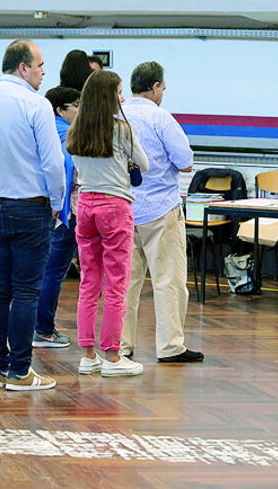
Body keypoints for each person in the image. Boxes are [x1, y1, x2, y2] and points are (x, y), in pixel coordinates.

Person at [0, 39, 65, 391]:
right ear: (23, 67)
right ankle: (21, 371)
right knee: (26, 292)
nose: (42, 72)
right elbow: (54, 162)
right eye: (39, 66)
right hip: (31, 206)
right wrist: (57, 202)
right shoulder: (36, 105)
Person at [120, 61, 203, 363]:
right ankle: (170, 346)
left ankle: (120, 345)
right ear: (155, 87)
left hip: (122, 208)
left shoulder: (116, 116)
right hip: (160, 210)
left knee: (124, 282)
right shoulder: (161, 118)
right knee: (168, 280)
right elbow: (185, 161)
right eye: (163, 88)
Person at [68, 70, 148, 377]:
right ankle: (113, 356)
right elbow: (144, 164)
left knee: (89, 282)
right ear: (109, 96)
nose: (122, 97)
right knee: (117, 283)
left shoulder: (75, 130)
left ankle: (88, 354)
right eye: (119, 92)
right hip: (115, 206)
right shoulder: (121, 129)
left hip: (85, 205)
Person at [33, 86, 81, 349]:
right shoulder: (64, 132)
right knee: (53, 271)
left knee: (37, 271)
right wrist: (61, 208)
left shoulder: (39, 127)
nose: (80, 110)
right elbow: (67, 168)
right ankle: (43, 329)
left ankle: (34, 327)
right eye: (75, 105)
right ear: (59, 109)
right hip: (61, 213)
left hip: (36, 208)